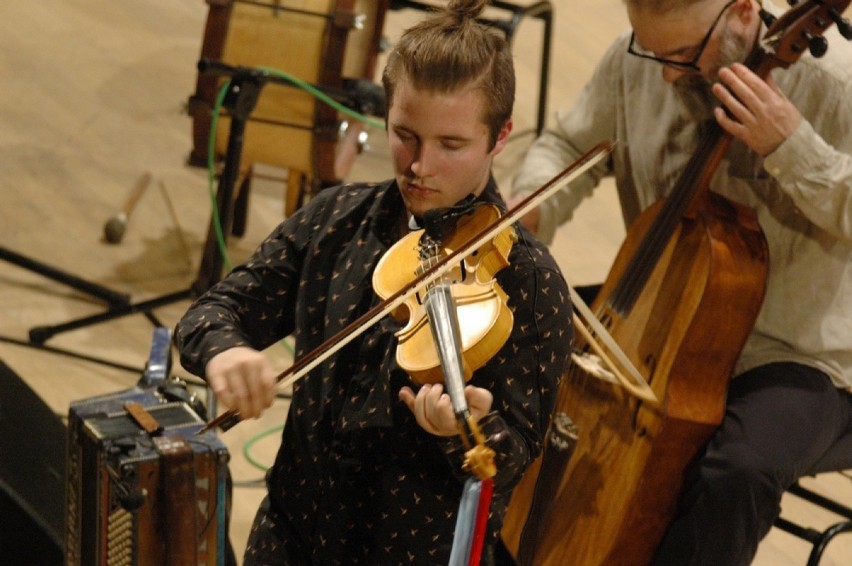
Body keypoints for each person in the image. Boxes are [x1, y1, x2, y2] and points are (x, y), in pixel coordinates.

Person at [174, 1, 574, 564]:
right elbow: (212, 313)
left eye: (451, 145)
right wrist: (223, 352)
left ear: (500, 136)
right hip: (289, 539)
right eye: (405, 135)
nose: (420, 166)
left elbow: (513, 458)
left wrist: (471, 427)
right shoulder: (336, 219)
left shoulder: (530, 283)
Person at [509, 0, 852, 564]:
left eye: (683, 55)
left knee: (735, 470)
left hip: (797, 354)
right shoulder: (635, 59)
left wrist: (795, 148)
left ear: (742, 12)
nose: (665, 72)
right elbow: (569, 145)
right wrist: (536, 203)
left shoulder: (832, 83)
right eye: (653, 51)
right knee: (517, 357)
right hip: (655, 315)